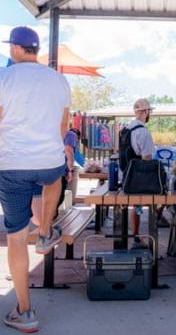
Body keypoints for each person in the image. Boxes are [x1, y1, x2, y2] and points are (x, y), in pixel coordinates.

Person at [0, 26, 71, 333]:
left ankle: (25, 312)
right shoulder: (58, 79)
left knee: (15, 238)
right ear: (35, 49)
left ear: (16, 48)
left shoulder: (4, 77)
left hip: (12, 165)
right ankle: (44, 232)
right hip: (48, 161)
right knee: (55, 175)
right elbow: (63, 126)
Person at [124, 98, 155, 247]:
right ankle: (143, 238)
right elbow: (147, 157)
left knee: (135, 205)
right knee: (157, 198)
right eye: (149, 111)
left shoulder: (126, 128)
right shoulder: (142, 131)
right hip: (138, 178)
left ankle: (135, 235)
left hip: (125, 175)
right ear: (146, 112)